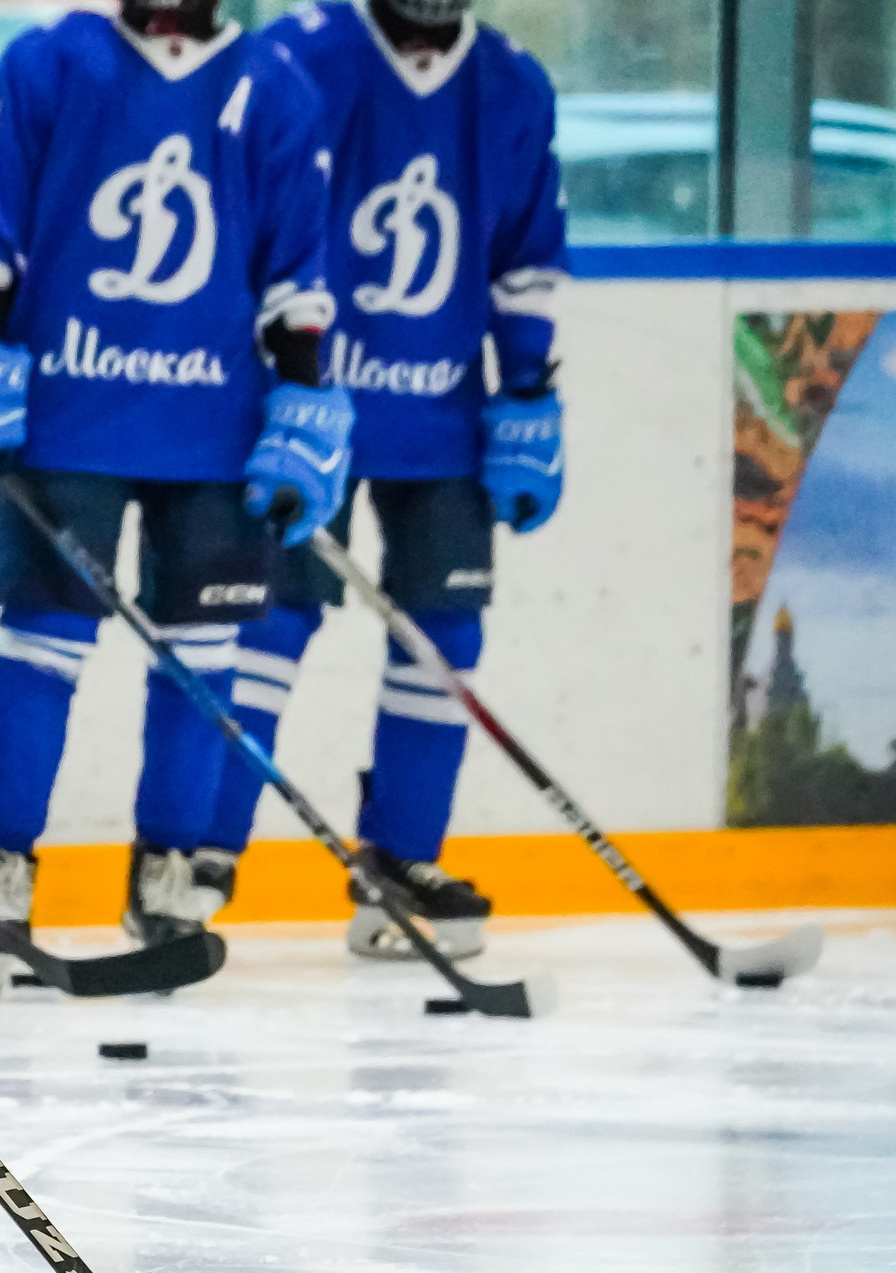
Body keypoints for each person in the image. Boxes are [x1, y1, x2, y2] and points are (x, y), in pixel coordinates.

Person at [0, 0, 348, 994]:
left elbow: (295, 274)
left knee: (202, 657)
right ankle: (5, 867)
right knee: (42, 643)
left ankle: (165, 869)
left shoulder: (275, 86)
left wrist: (303, 396)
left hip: (218, 432)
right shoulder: (49, 62)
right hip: (67, 417)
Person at [193, 0, 567, 961]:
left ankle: (403, 860)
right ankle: (201, 852)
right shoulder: (301, 56)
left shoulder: (514, 85)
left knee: (446, 635)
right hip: (304, 407)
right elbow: (245, 219)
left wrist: (527, 390)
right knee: (269, 618)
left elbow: (525, 260)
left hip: (443, 417)